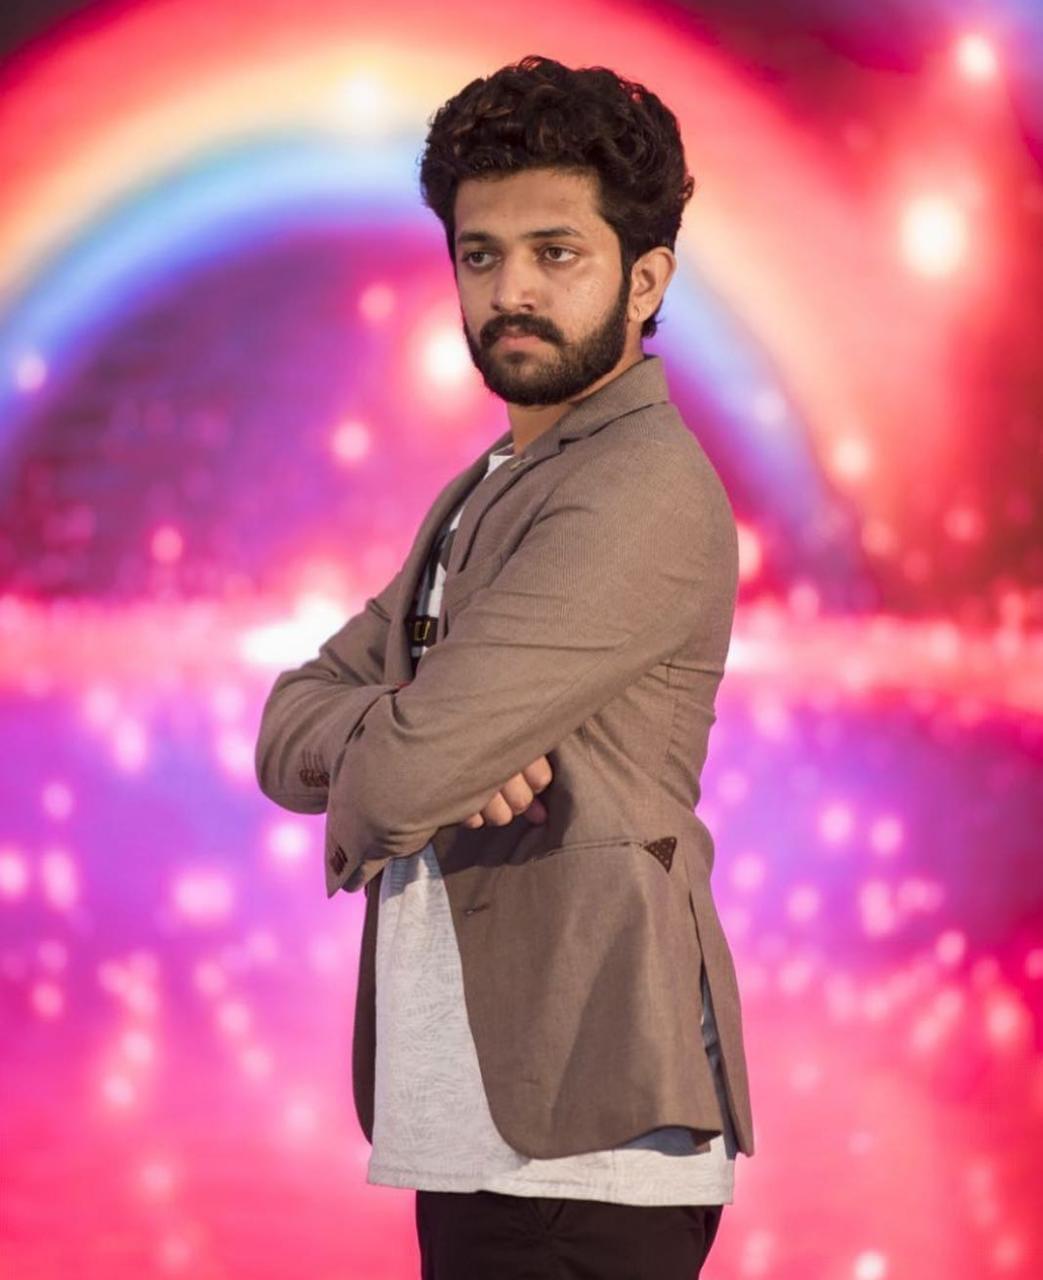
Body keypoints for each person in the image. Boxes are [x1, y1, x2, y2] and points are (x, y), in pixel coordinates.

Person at [255, 52, 755, 1279]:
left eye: (555, 252)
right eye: (479, 255)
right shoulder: (486, 484)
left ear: (646, 279)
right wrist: (412, 731)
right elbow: (283, 725)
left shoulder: (637, 490)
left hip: (587, 1140)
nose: (509, 289)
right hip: (481, 1129)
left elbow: (395, 779)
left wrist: (407, 746)